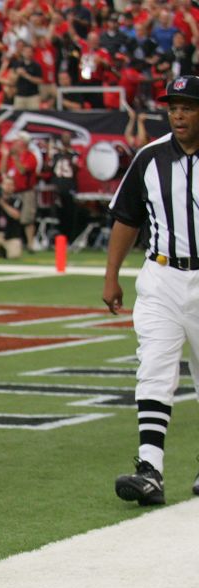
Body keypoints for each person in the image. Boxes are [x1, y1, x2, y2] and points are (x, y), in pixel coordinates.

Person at [103, 75, 199, 507]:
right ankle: (150, 470)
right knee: (154, 368)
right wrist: (111, 275)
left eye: (188, 106)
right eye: (172, 106)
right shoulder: (150, 157)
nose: (178, 114)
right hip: (161, 275)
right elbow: (126, 217)